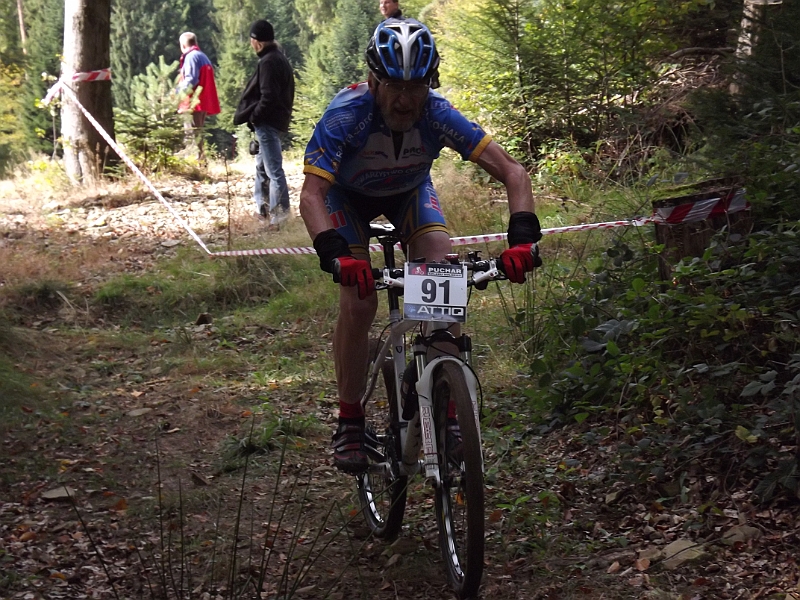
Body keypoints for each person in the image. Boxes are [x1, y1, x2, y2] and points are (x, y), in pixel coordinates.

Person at [299, 18, 543, 473]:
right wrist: (334, 255)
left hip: (409, 193)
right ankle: (350, 419)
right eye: (395, 85)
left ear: (430, 83)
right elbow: (312, 195)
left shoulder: (437, 113)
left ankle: (445, 405)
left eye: (417, 86)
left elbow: (513, 171)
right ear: (374, 80)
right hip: (345, 198)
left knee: (442, 273)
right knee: (359, 301)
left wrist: (522, 239)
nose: (405, 99)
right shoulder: (346, 114)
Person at [233, 19, 295, 228]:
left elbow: (269, 96)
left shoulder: (268, 62)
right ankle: (262, 209)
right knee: (262, 167)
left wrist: (255, 117)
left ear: (257, 41)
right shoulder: (278, 57)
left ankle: (280, 216)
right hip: (274, 121)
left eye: (251, 40)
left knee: (273, 170)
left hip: (268, 123)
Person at [176, 32, 221, 162]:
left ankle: (195, 163)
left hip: (192, 103)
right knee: (197, 134)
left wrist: (176, 94)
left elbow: (191, 79)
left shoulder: (191, 57)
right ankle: (201, 162)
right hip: (201, 102)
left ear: (183, 45)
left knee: (191, 134)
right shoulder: (203, 56)